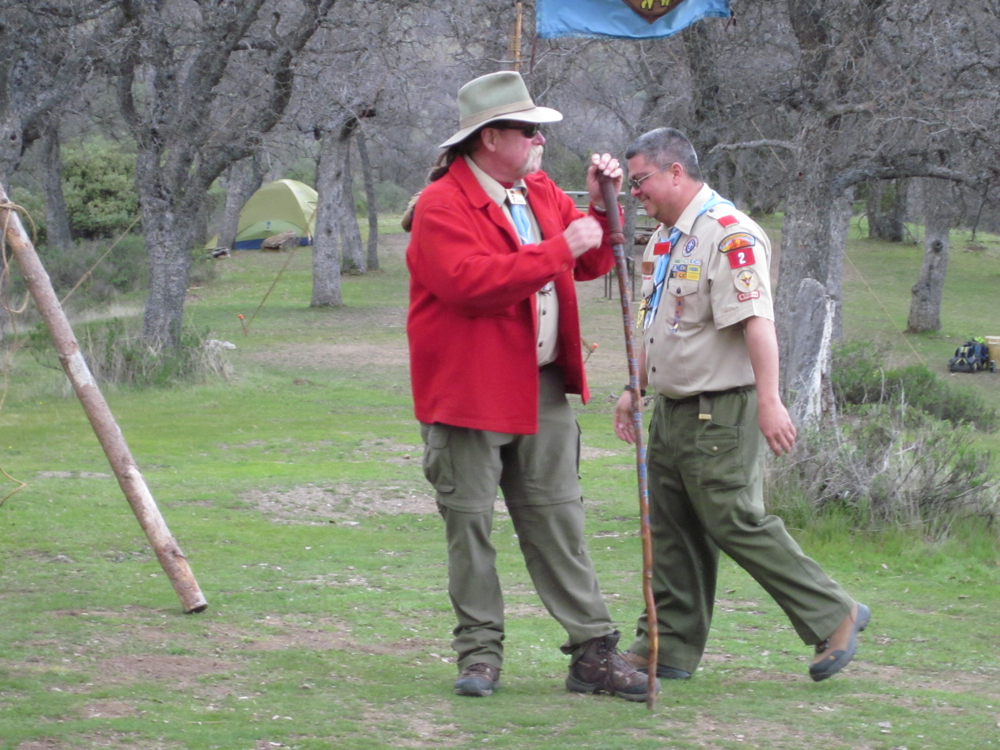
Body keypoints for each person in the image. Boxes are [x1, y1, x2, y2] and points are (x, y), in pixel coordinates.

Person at [406, 70, 656, 702]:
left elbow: (592, 259)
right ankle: (479, 656)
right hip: (468, 391)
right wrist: (559, 248)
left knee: (559, 521)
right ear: (490, 138)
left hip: (540, 388)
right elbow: (470, 285)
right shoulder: (441, 205)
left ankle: (593, 654)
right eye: (528, 130)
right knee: (471, 529)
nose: (540, 140)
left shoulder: (539, 190)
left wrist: (600, 206)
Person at [612, 127, 870, 683]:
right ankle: (667, 647)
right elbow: (656, 322)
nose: (635, 193)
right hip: (672, 409)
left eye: (641, 181)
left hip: (721, 409)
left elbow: (757, 323)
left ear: (675, 171)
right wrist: (635, 387)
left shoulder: (730, 234)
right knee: (673, 528)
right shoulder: (665, 239)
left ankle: (834, 614)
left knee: (735, 519)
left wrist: (770, 402)